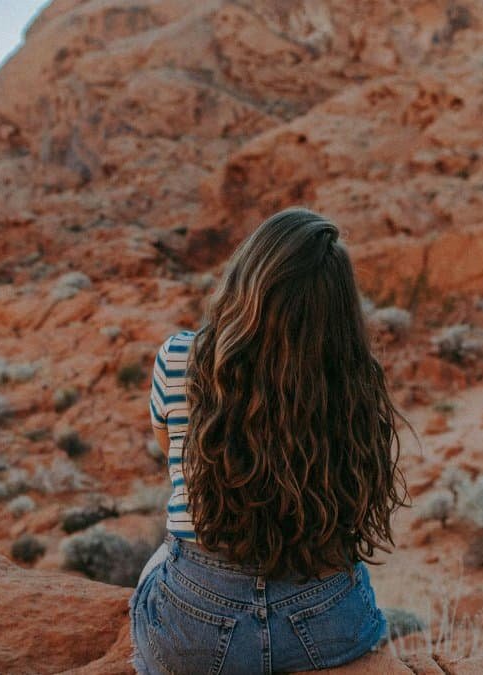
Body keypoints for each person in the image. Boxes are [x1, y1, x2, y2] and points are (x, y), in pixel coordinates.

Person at [129, 207, 407, 674]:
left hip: (194, 623)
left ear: (246, 278)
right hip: (325, 617)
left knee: (163, 556)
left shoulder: (179, 357)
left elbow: (172, 453)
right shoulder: (352, 379)